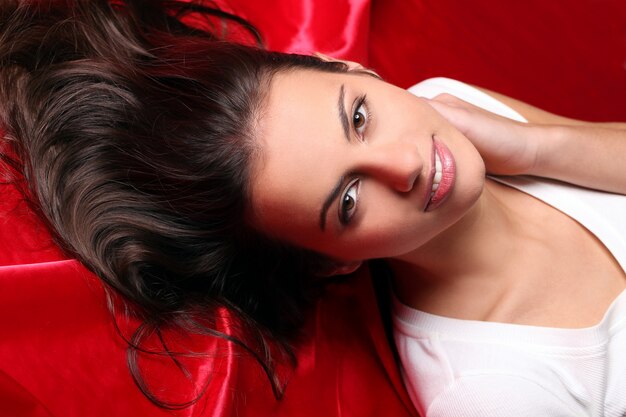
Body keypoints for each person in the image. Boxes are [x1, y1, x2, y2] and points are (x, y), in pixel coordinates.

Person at [1, 0, 625, 415]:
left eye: (358, 115)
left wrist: (536, 145)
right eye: (349, 201)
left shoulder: (444, 108)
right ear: (332, 264)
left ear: (352, 69)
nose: (404, 165)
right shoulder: (495, 394)